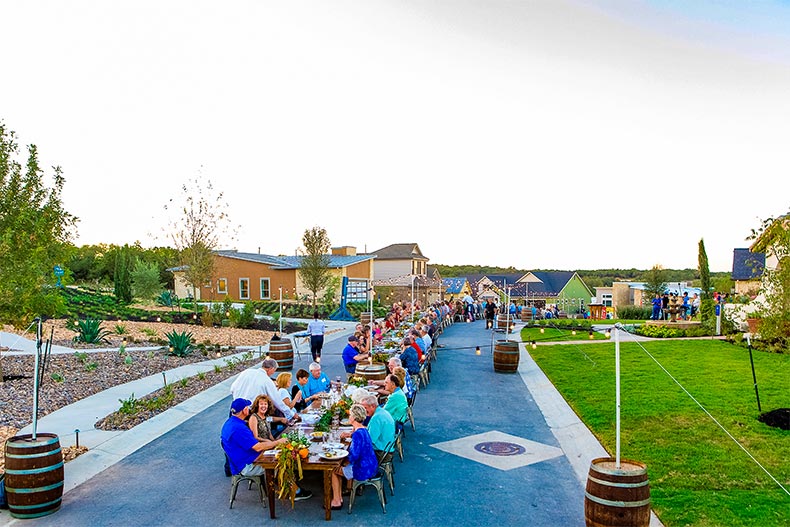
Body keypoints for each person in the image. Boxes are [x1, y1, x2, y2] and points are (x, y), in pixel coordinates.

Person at [222, 398, 313, 500]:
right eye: (247, 407)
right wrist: (277, 442)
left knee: (280, 453)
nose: (249, 409)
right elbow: (257, 447)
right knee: (281, 461)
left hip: (240, 460)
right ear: (244, 410)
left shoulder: (230, 423)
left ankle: (288, 484)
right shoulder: (239, 428)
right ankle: (294, 492)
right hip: (247, 465)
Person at [329, 404, 377, 510]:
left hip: (362, 470)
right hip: (371, 465)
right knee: (340, 466)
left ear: (354, 417)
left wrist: (342, 455)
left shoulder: (357, 434)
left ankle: (337, 500)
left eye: (350, 415)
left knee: (333, 469)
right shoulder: (363, 430)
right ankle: (339, 497)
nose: (349, 417)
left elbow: (353, 456)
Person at [230, 358, 296, 421]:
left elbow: (232, 389)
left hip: (235, 407)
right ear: (271, 368)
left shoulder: (247, 372)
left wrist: (237, 398)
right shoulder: (267, 380)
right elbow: (277, 401)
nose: (273, 373)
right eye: (274, 370)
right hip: (250, 412)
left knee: (232, 428)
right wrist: (291, 414)